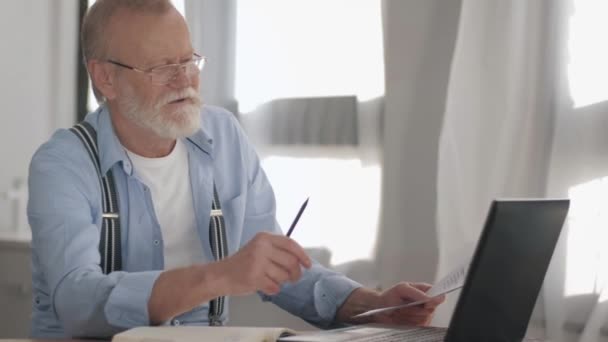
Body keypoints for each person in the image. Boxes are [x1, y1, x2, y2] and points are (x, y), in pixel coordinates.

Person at [27, 0, 444, 338]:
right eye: (160, 68)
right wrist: (221, 275)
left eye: (188, 60)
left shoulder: (223, 136)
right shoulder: (63, 163)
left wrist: (372, 306)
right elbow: (78, 304)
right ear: (105, 79)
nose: (184, 80)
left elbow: (278, 271)